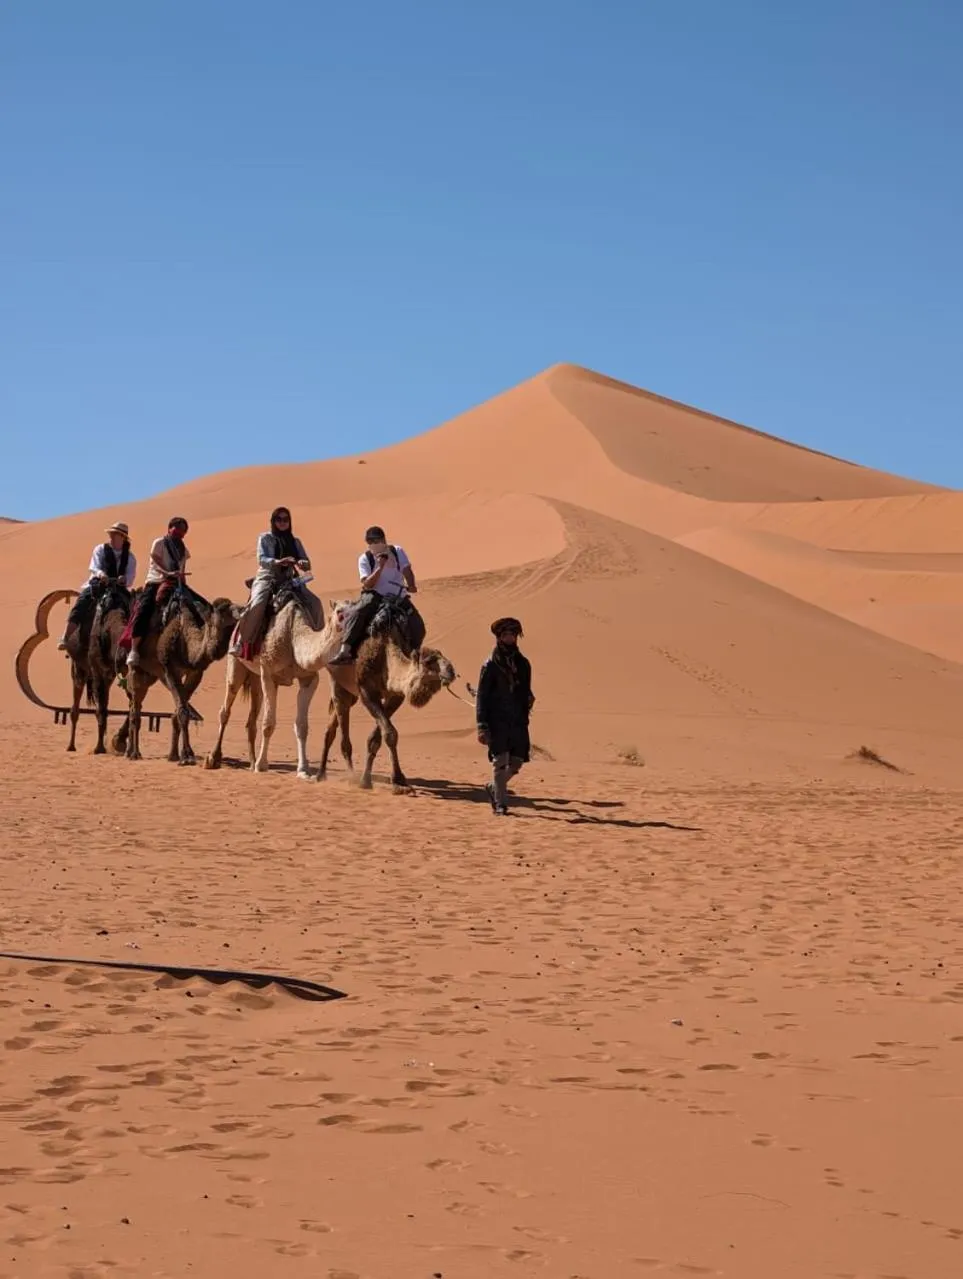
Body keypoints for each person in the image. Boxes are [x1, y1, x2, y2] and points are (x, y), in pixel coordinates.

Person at [230, 507, 322, 656]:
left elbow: (306, 561)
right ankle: (242, 641)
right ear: (273, 521)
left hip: (290, 578)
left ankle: (317, 642)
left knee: (315, 603)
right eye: (279, 519)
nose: (282, 522)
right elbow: (262, 559)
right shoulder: (265, 538)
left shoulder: (295, 541)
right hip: (268, 576)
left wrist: (302, 563)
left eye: (286, 519)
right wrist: (279, 562)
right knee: (258, 603)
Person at [329, 525, 421, 664]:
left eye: (376, 541)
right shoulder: (365, 558)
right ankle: (345, 649)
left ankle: (415, 654)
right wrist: (380, 566)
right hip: (375, 595)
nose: (374, 544)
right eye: (370, 542)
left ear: (384, 539)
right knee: (358, 611)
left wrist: (412, 584)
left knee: (418, 625)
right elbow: (367, 584)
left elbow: (406, 569)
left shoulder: (397, 551)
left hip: (398, 595)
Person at [476, 617, 535, 816]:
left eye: (513, 635)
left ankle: (494, 787)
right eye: (506, 635)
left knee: (517, 762)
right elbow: (482, 697)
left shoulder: (523, 664)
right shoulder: (490, 665)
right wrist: (482, 725)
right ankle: (501, 804)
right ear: (499, 638)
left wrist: (528, 698)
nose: (510, 638)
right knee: (500, 762)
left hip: (517, 720)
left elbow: (526, 688)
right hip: (497, 721)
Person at [58, 521, 137, 651]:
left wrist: (124, 579)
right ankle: (65, 637)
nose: (111, 536)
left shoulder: (130, 557)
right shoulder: (100, 549)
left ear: (122, 537)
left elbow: (130, 577)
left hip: (118, 589)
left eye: (115, 534)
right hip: (99, 584)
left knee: (134, 609)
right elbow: (94, 567)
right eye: (111, 533)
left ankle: (133, 645)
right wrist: (101, 574)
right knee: (82, 603)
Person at [126, 516, 191, 668]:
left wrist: (182, 582)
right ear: (169, 528)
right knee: (144, 610)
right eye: (178, 528)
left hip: (176, 583)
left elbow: (182, 569)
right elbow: (155, 562)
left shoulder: (183, 550)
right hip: (156, 581)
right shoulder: (159, 543)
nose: (180, 532)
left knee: (194, 606)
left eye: (183, 530)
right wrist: (168, 572)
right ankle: (134, 649)